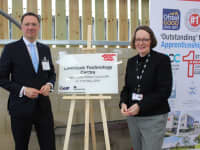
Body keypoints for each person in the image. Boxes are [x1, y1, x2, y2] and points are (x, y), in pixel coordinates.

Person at [0, 12, 56, 150]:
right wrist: (23, 90)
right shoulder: (11, 49)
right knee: (21, 146)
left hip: (43, 108)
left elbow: (51, 74)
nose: (30, 27)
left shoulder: (45, 49)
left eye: (34, 24)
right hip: (20, 107)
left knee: (49, 146)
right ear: (22, 27)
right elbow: (1, 78)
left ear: (38, 27)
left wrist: (49, 85)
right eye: (27, 24)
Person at [119, 25, 172, 150]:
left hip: (154, 118)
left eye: (145, 40)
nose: (141, 43)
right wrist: (123, 103)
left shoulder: (162, 60)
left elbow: (164, 91)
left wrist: (140, 106)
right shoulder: (131, 62)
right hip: (133, 118)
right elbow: (127, 88)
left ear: (151, 41)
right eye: (138, 40)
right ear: (134, 42)